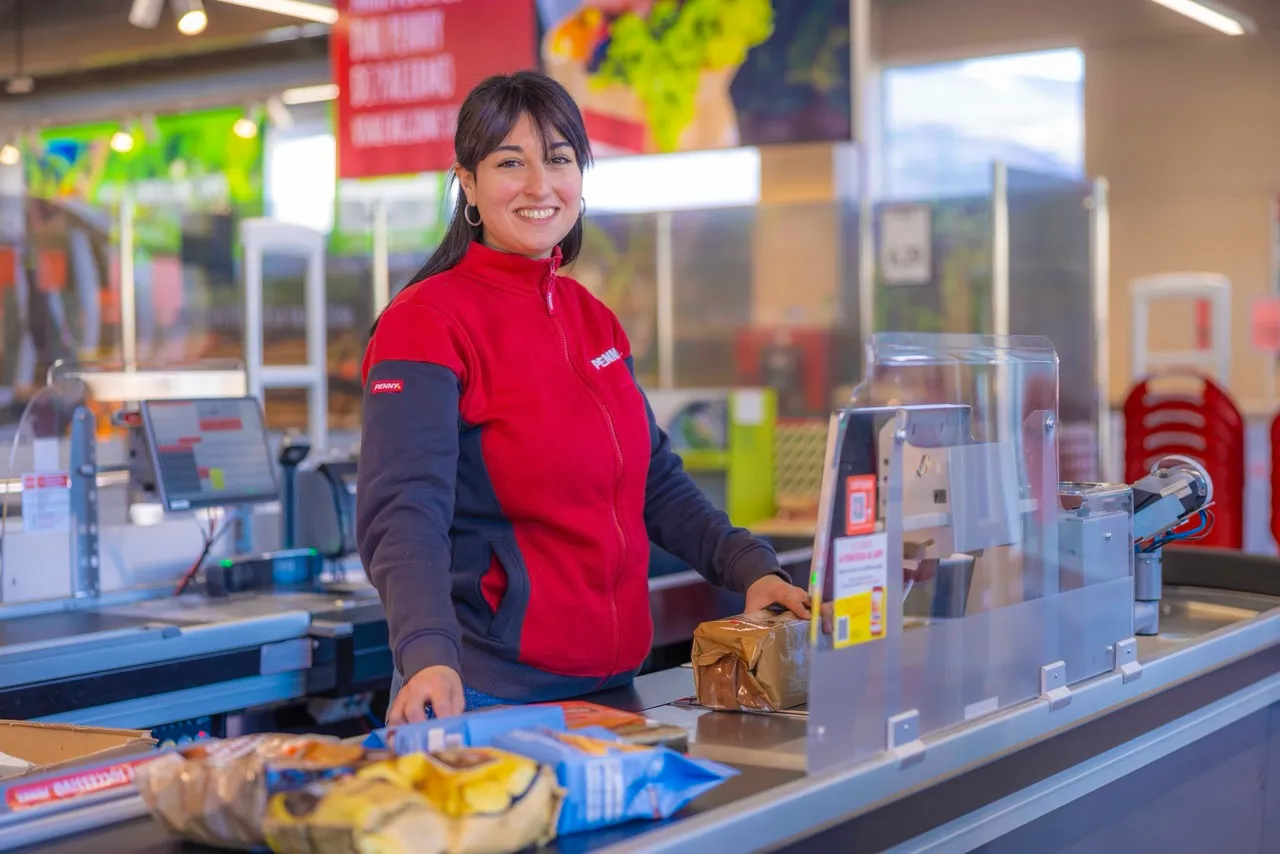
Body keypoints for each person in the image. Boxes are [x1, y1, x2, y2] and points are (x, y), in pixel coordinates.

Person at [357, 71, 810, 725]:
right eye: (510, 162)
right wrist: (427, 652)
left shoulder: (591, 318)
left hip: (615, 683)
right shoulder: (426, 321)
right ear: (469, 183)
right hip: (490, 692)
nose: (540, 185)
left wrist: (749, 566)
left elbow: (653, 481)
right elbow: (403, 515)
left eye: (559, 159)